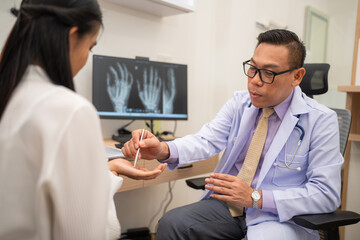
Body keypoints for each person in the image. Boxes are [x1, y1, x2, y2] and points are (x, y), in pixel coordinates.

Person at [122, 29, 343, 240]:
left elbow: (326, 194)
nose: (255, 80)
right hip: (231, 208)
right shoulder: (241, 103)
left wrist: (256, 198)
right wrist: (163, 148)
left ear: (297, 76)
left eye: (268, 73)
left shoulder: (321, 120)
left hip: (280, 217)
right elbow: (206, 140)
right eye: (253, 68)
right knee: (173, 223)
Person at [0, 0, 166, 239]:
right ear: (72, 36)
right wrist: (106, 177)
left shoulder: (10, 94)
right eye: (90, 47)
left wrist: (105, 169)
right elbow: (96, 232)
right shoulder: (70, 111)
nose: (87, 57)